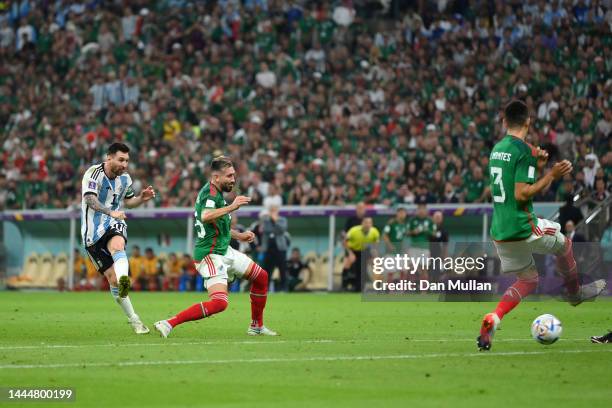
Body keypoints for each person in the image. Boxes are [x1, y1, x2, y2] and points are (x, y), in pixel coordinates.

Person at [477, 100, 606, 351]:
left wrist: (537, 167)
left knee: (528, 280)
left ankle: (494, 317)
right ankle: (574, 293)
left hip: (501, 231)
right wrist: (552, 175)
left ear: (504, 122)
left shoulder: (497, 148)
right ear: (528, 121)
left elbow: (513, 180)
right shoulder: (525, 150)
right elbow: (523, 193)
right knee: (565, 243)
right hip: (524, 226)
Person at [154, 156, 277, 337]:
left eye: (234, 175)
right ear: (216, 177)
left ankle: (256, 326)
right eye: (228, 176)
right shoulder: (211, 194)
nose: (233, 180)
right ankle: (168, 323)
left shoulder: (217, 194)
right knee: (220, 303)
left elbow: (218, 224)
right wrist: (233, 207)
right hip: (209, 255)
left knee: (261, 277)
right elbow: (206, 216)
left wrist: (239, 235)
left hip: (224, 250)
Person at [81, 142, 156, 334]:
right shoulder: (93, 173)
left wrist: (141, 198)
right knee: (111, 280)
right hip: (92, 233)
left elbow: (129, 202)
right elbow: (89, 198)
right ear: (109, 158)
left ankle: (125, 279)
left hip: (114, 222)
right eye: (121, 160)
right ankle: (135, 320)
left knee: (118, 244)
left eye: (127, 161)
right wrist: (109, 212)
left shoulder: (125, 179)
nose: (124, 164)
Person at [343, 217, 380, 292]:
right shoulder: (354, 230)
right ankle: (344, 285)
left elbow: (376, 243)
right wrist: (350, 253)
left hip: (365, 250)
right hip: (353, 250)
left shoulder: (374, 231)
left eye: (369, 223)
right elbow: (344, 242)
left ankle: (378, 286)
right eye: (366, 222)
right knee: (348, 262)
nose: (367, 224)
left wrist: (375, 252)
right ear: (362, 223)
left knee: (376, 263)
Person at [260, 205, 289, 291]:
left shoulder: (282, 220)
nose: (273, 212)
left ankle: (284, 288)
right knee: (267, 270)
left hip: (280, 249)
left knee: (282, 269)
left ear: (277, 211)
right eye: (271, 210)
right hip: (268, 249)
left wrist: (275, 220)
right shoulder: (266, 220)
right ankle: (266, 288)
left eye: (274, 210)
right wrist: (273, 225)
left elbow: (282, 229)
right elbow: (265, 229)